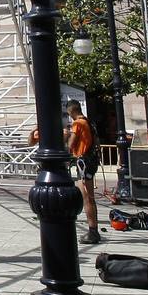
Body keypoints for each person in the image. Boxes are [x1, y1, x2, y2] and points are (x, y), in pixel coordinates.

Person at [66, 100, 102, 244]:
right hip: (90, 161)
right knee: (88, 197)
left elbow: (71, 144)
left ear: (71, 111)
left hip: (84, 162)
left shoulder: (78, 124)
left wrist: (66, 136)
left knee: (87, 197)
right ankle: (93, 229)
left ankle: (93, 231)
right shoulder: (88, 122)